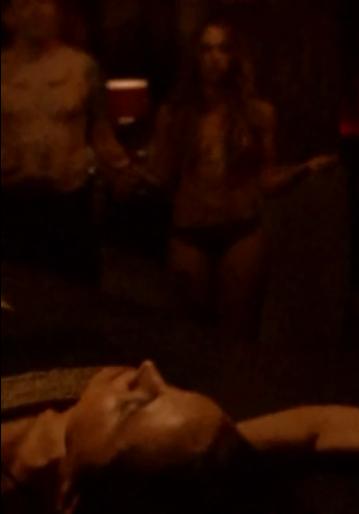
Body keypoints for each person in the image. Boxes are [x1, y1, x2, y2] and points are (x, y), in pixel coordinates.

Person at [1, 361, 359, 514]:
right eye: (164, 388)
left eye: (135, 404)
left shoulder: (140, 474)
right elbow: (320, 425)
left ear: (71, 495)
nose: (148, 370)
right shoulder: (143, 459)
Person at [146, 17, 323, 344]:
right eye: (206, 49)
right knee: (191, 333)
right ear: (195, 56)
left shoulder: (257, 114)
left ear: (235, 57)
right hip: (190, 230)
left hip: (240, 230)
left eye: (223, 49)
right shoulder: (174, 114)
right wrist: (126, 169)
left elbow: (265, 180)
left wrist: (304, 170)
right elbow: (162, 176)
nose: (214, 58)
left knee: (239, 333)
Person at [1, 0, 133, 283]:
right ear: (9, 16)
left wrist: (122, 170)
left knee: (74, 295)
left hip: (68, 206)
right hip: (11, 206)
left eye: (45, 2)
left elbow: (101, 132)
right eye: (26, 4)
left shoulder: (82, 67)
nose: (38, 11)